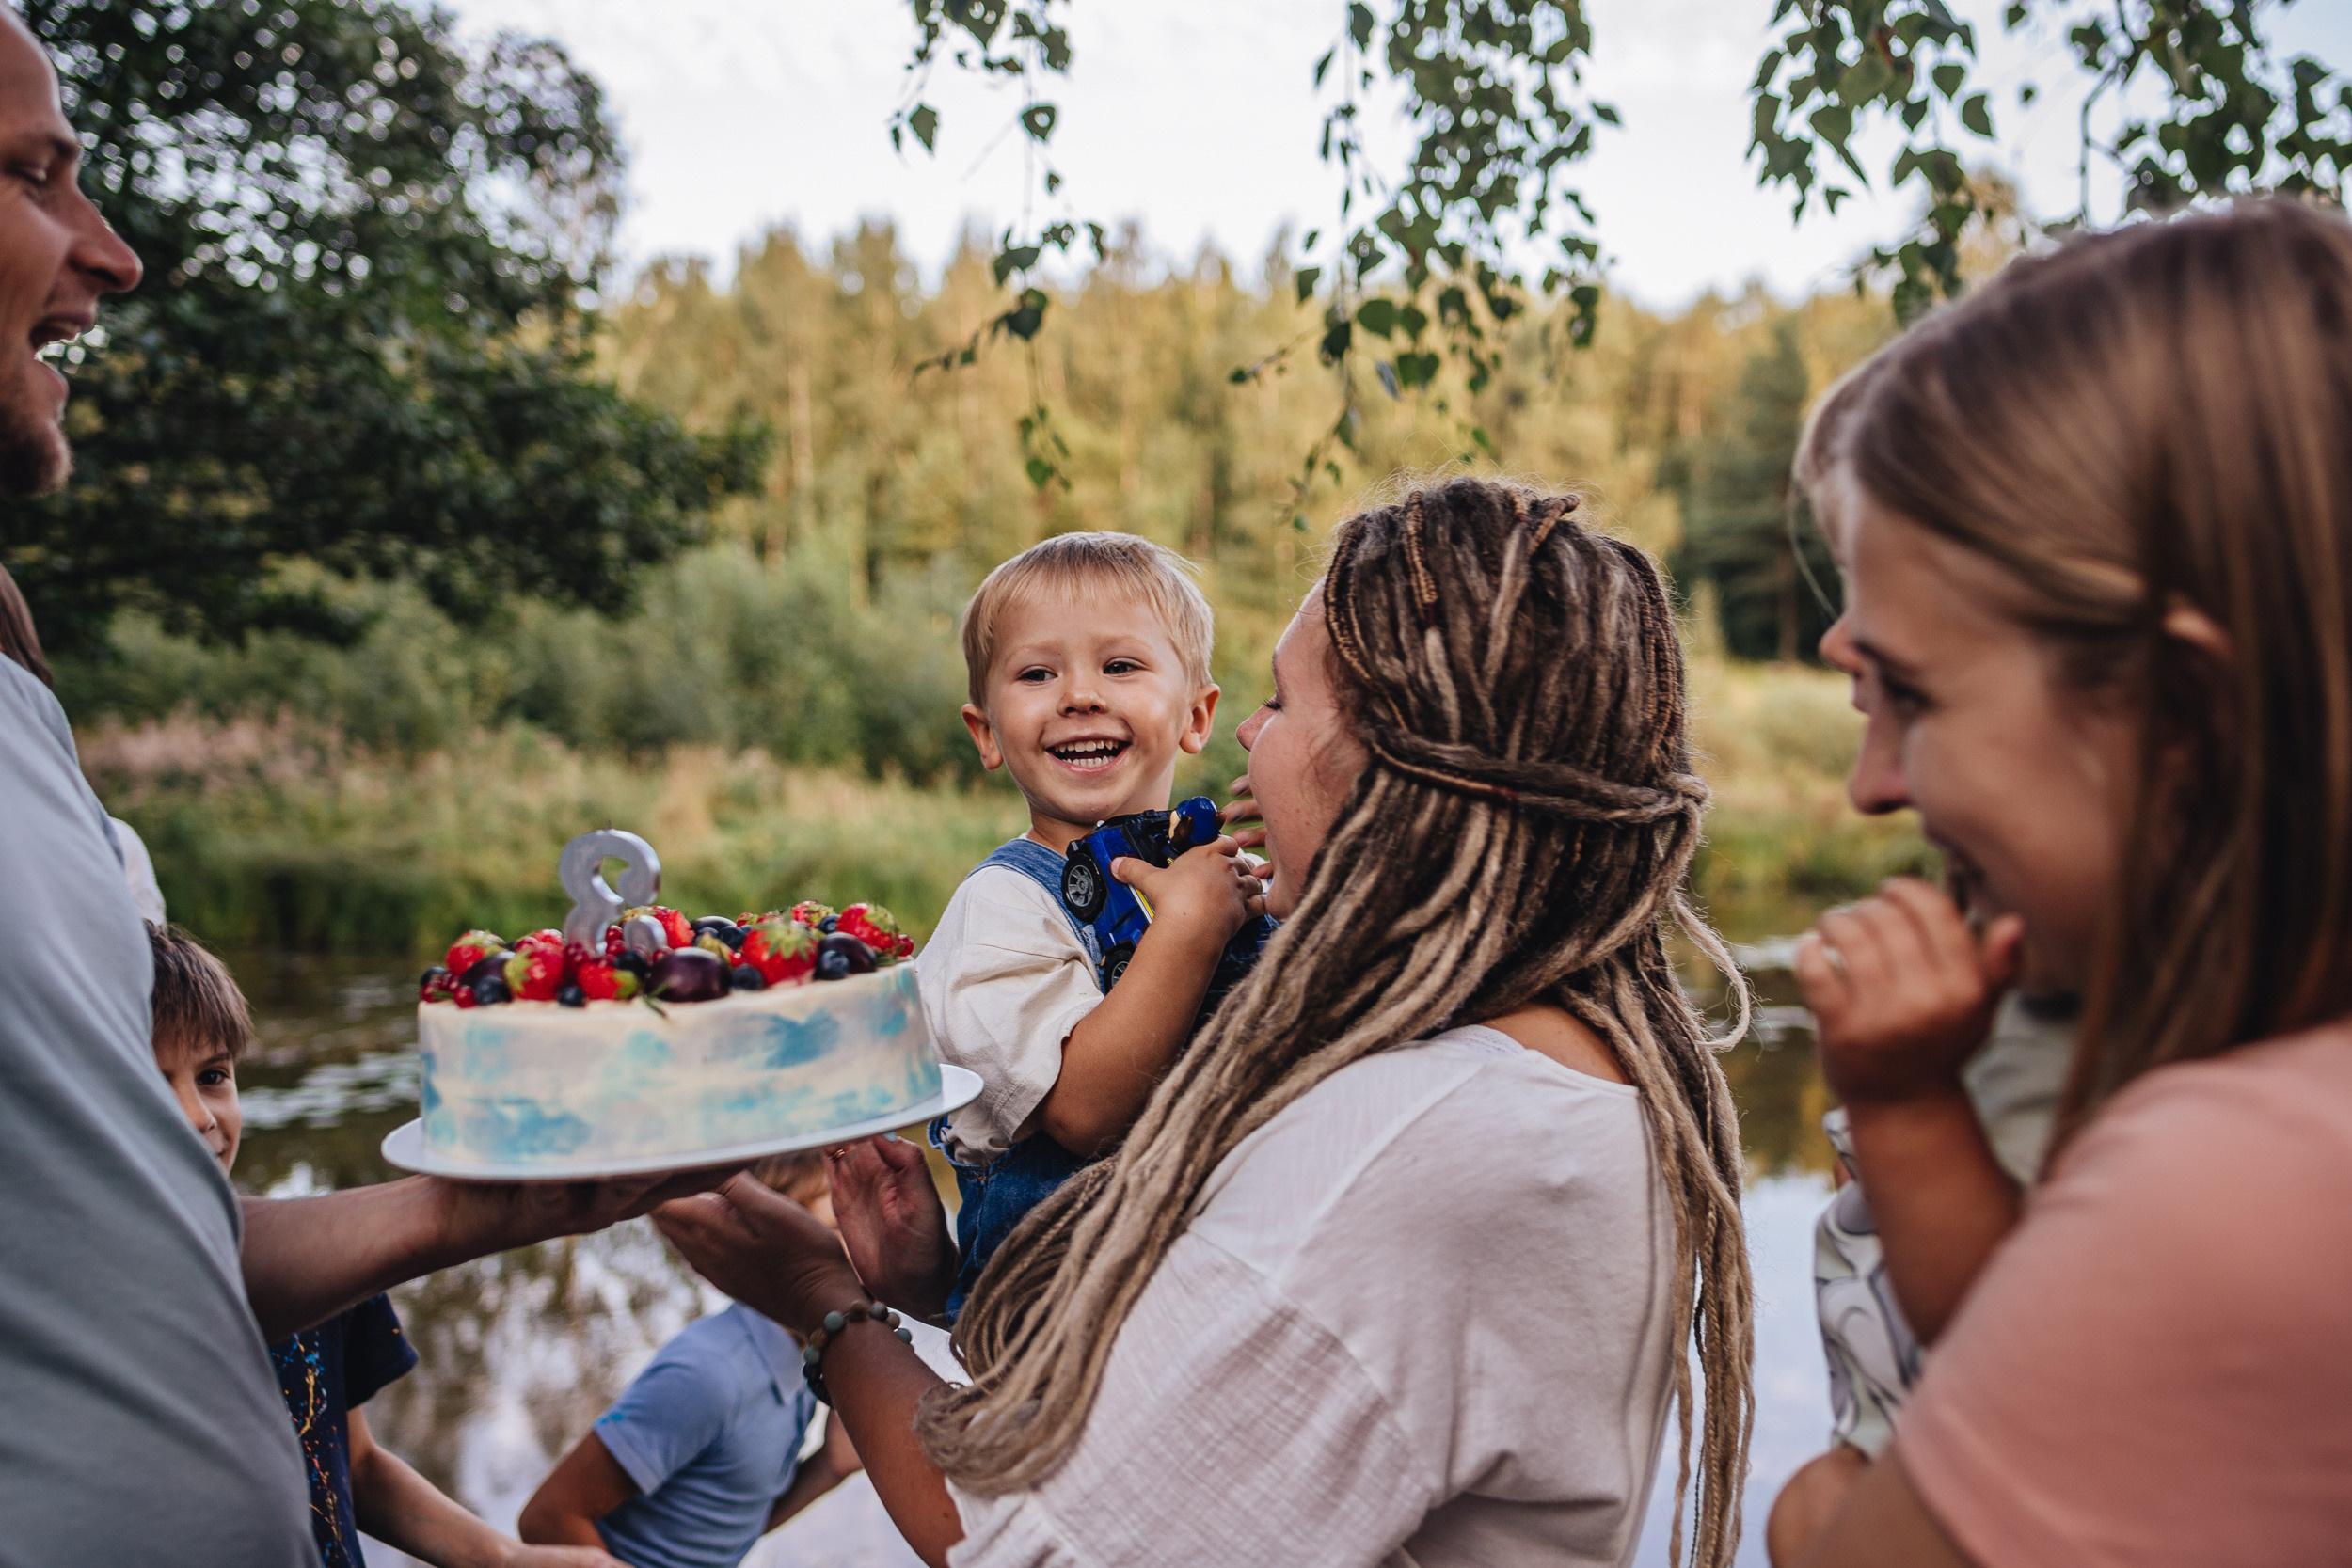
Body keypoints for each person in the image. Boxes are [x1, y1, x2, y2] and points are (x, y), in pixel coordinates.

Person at [655, 476, 1759, 1568]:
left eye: (1277, 701)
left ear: (1403, 760)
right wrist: (945, 1290)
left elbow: (1020, 1544)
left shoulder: (1404, 1148)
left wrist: (824, 1303)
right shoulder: (1552, 1063)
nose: (1244, 738)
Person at [0, 20, 723, 1560]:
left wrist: (479, 1210)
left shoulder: (24, 708)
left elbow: (115, 1262)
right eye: (35, 176)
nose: (113, 255)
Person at [1772, 200, 2352, 1567]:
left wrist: (1822, 1525)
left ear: (2181, 714)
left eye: (1910, 691)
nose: (1872, 789)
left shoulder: (2236, 1186)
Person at [144, 924, 626, 1568]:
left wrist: (503, 1557)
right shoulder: (68, 1299)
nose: (198, 1115)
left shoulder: (321, 1260)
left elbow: (359, 1465)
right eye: (147, 1083)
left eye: (212, 1075)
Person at [916, 531, 1262, 1320]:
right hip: (1058, 1320)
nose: (1080, 695)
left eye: (1121, 666)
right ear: (987, 733)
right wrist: (1190, 933)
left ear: (1196, 714)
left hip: (1208, 1292)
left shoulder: (1214, 873)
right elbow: (1078, 1111)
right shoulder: (1001, 909)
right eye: (1038, 674)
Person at [519, 1153, 864, 1568]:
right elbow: (546, 1520)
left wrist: (831, 1465)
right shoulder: (709, 1374)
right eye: (833, 1233)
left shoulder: (804, 1356)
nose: (862, 1251)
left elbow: (724, 1524)